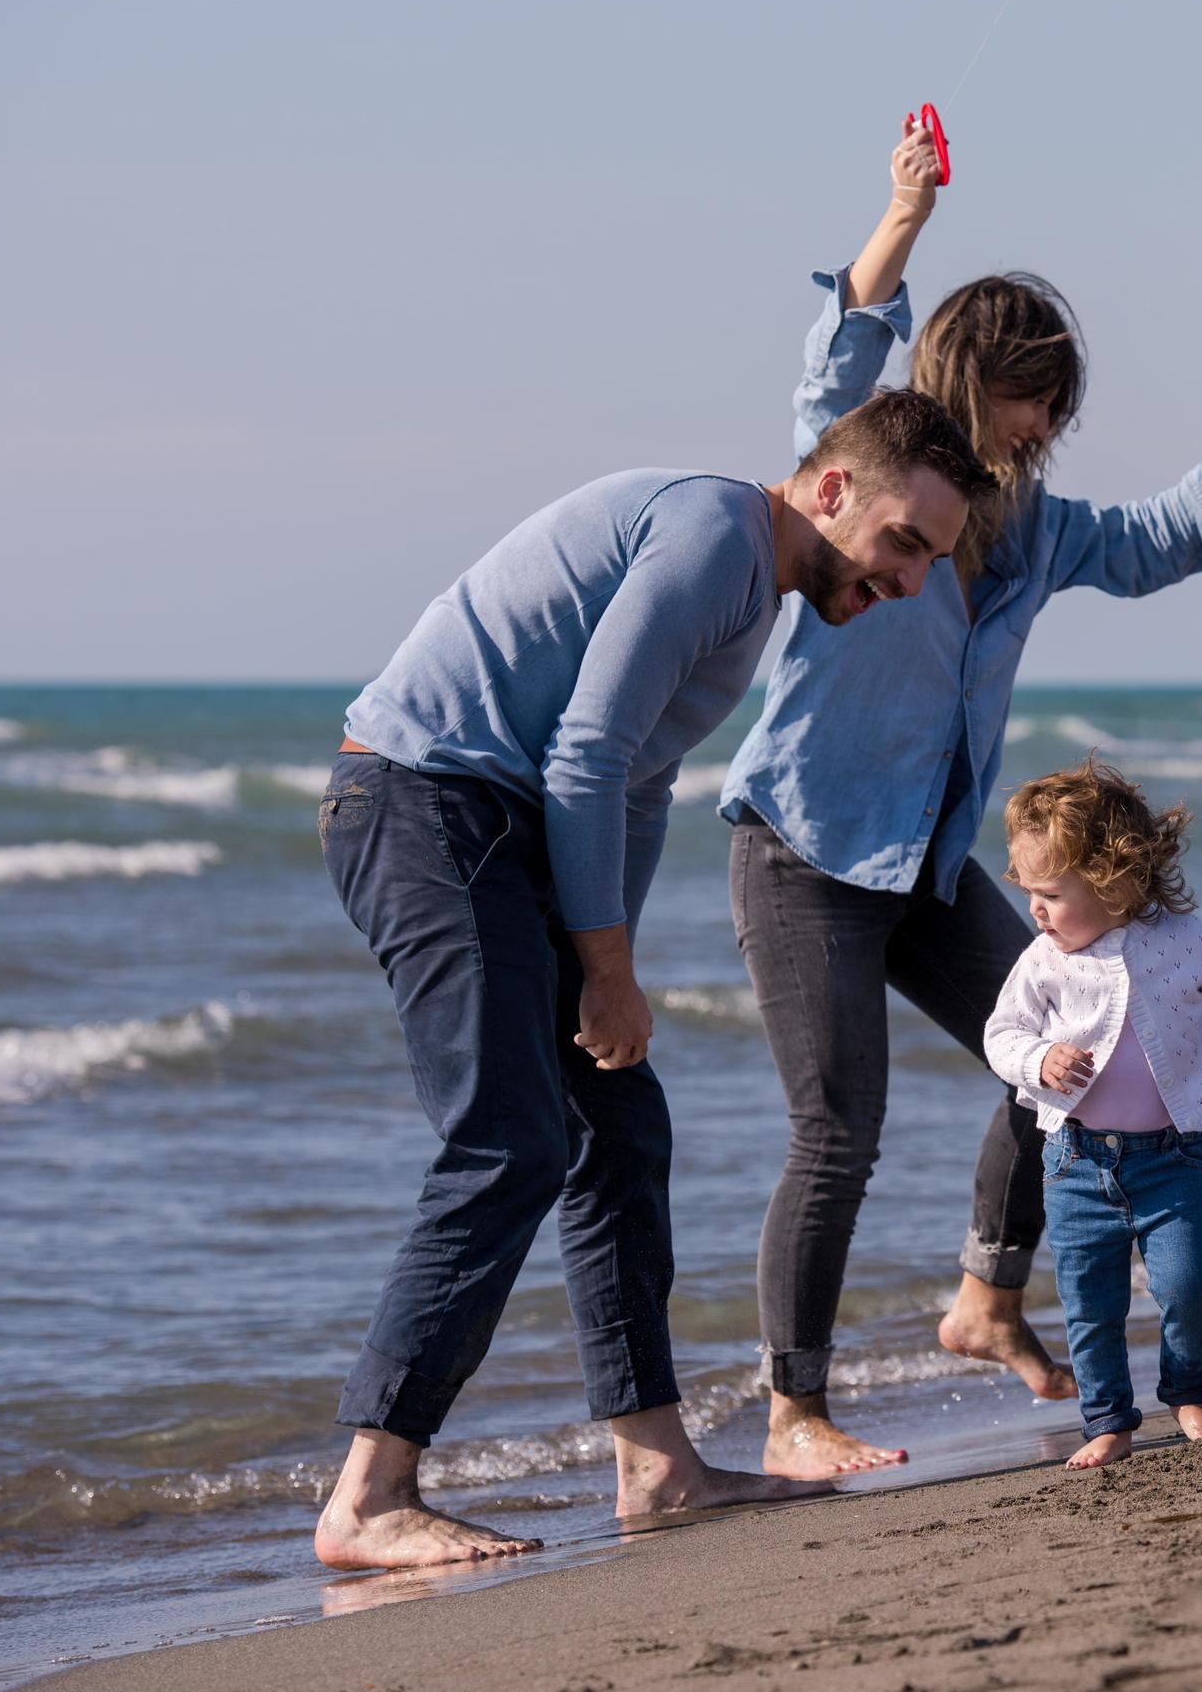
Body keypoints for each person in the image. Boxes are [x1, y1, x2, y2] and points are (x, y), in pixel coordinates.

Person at [720, 114, 1202, 1478]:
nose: (1047, 426)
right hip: (804, 854)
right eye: (1029, 399)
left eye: (1059, 406)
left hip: (929, 868)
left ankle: (984, 1298)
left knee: (1073, 1032)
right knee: (838, 1134)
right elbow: (845, 344)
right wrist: (904, 213)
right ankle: (792, 1416)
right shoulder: (869, 467)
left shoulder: (1040, 530)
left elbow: (1156, 541)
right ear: (970, 378)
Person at [311, 392, 993, 1570]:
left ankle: (658, 1465)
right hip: (427, 804)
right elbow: (586, 753)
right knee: (508, 1143)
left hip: (497, 825)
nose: (913, 582)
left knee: (618, 1128)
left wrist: (602, 964)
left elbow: (631, 786)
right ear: (830, 490)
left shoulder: (749, 590)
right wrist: (609, 968)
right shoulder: (714, 539)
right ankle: (368, 1494)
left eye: (934, 560)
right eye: (904, 544)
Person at [980, 761, 1202, 1468]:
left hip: (1171, 1158)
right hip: (1074, 1160)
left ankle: (1188, 1391)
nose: (1035, 910)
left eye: (1049, 893)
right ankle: (1107, 1421)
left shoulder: (1187, 941)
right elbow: (1000, 1035)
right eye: (1028, 893)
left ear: (1115, 879)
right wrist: (1037, 1058)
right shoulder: (1043, 960)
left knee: (1189, 1285)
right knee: (1090, 1303)